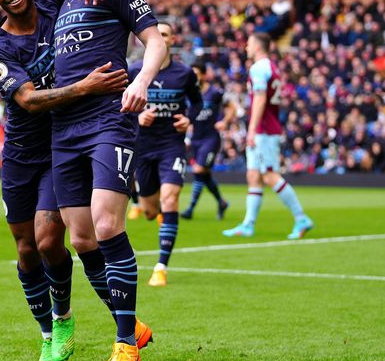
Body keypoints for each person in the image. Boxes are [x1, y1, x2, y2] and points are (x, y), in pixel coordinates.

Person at [0, 0, 137, 361]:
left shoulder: (53, 1)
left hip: (59, 145)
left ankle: (63, 320)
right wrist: (85, 87)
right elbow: (28, 101)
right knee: (26, 249)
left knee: (51, 240)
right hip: (20, 153)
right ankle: (47, 332)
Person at [42, 0, 167, 361]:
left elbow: (153, 42)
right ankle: (131, 327)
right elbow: (14, 3)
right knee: (80, 238)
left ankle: (122, 347)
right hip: (63, 127)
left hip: (108, 119)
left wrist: (142, 80)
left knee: (108, 223)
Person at [129, 23, 202, 288]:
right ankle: (158, 215)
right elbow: (118, 104)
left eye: (165, 34)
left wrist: (189, 119)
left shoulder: (183, 73)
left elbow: (198, 102)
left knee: (170, 199)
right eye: (155, 33)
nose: (160, 38)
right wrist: (138, 116)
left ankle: (161, 267)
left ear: (172, 40)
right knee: (149, 211)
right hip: (143, 147)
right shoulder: (134, 71)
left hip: (171, 145)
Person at [223, 33, 314, 239]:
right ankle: (248, 224)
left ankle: (301, 218)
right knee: (253, 176)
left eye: (249, 42)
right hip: (267, 128)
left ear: (257, 45)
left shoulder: (259, 68)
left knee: (270, 175)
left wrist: (252, 130)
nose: (246, 46)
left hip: (264, 130)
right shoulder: (271, 67)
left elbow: (260, 100)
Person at [181, 59, 234, 220]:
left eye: (197, 74)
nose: (194, 77)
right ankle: (221, 202)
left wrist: (224, 121)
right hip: (195, 138)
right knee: (204, 174)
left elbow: (231, 106)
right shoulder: (188, 93)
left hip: (210, 138)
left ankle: (190, 209)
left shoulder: (215, 93)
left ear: (204, 75)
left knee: (199, 170)